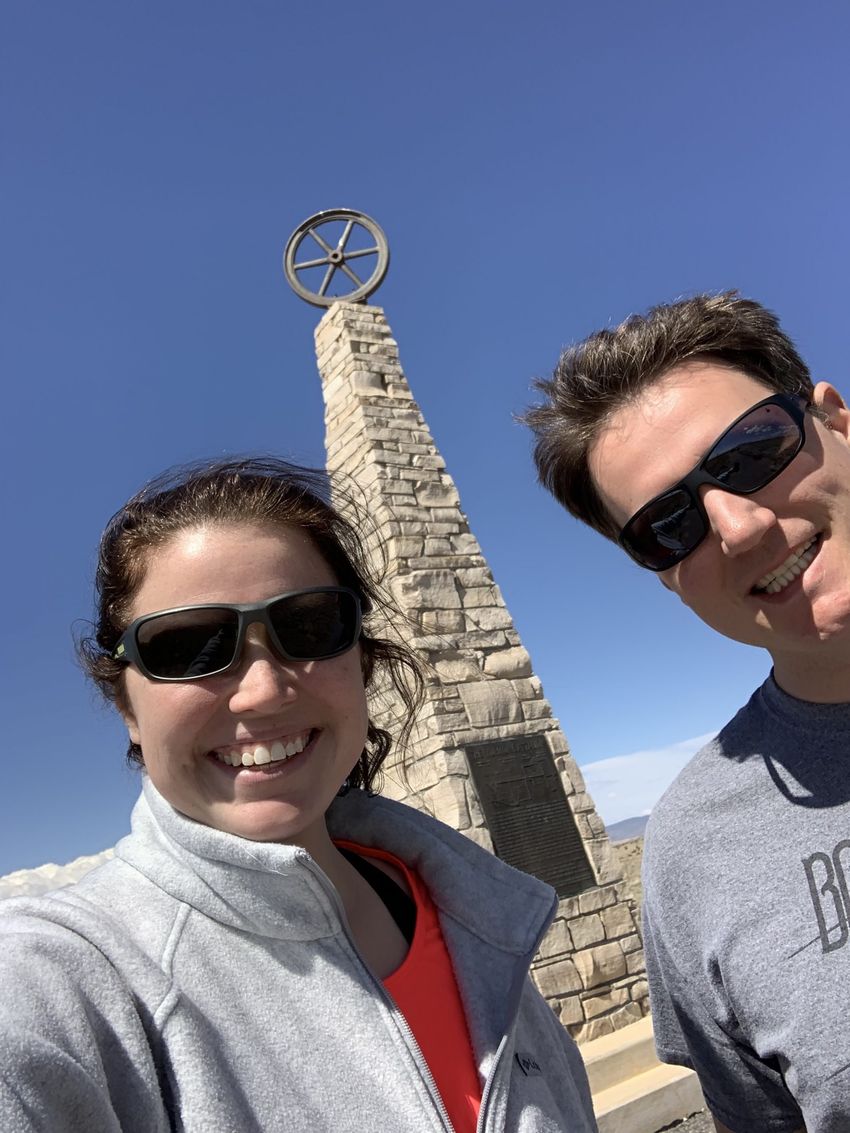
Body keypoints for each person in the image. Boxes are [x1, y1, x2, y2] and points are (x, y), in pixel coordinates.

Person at [0, 456, 597, 1133]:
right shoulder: (63, 982)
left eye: (309, 625)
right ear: (126, 705)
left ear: (361, 661)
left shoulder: (478, 919)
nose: (263, 689)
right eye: (189, 646)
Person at [523, 291, 850, 1133]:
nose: (737, 528)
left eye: (751, 451)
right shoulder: (694, 851)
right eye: (669, 525)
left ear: (835, 420)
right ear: (662, 573)